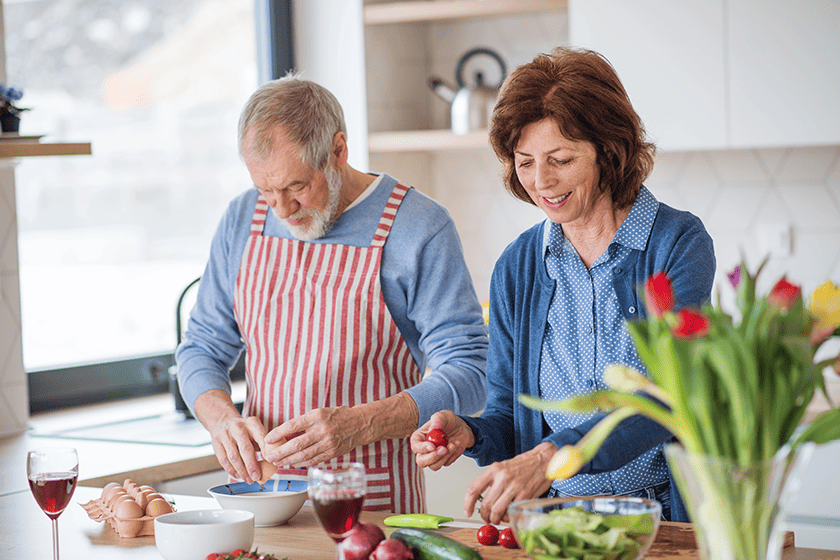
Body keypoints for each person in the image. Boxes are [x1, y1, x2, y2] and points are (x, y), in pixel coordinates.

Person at [411, 47, 715, 524]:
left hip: (667, 519)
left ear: (608, 149)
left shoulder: (677, 244)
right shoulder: (519, 267)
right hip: (558, 522)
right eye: (525, 161)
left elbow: (663, 397)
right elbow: (512, 421)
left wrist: (550, 456)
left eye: (560, 158)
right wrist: (470, 433)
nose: (542, 181)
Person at [176, 75, 488, 513]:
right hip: (260, 504)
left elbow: (472, 370)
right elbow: (201, 348)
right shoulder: (241, 219)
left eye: (296, 187)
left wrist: (362, 423)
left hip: (372, 506)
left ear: (338, 150)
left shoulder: (418, 226)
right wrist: (221, 420)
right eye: (266, 190)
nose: (281, 210)